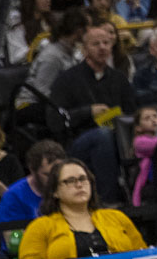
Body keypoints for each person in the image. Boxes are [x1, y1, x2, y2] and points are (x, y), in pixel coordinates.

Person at [48, 21, 136, 202]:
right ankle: (108, 201)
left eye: (106, 43)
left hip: (118, 138)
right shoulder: (67, 79)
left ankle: (138, 196)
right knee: (103, 136)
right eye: (96, 44)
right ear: (84, 48)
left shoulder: (119, 79)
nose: (102, 48)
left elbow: (132, 113)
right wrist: (88, 112)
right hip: (77, 141)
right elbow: (54, 120)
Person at [17, 158, 146, 259]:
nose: (79, 185)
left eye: (83, 179)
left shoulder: (117, 217)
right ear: (55, 191)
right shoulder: (40, 227)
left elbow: (143, 255)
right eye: (70, 181)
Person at [0, 140, 66, 225]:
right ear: (32, 170)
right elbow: (13, 236)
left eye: (58, 173)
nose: (54, 179)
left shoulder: (66, 189)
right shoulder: (14, 197)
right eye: (47, 175)